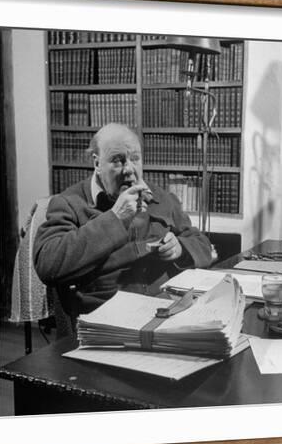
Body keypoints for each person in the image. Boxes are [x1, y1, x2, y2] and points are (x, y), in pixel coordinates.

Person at [34, 123, 213, 315]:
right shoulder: (69, 203)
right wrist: (115, 218)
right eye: (117, 161)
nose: (128, 169)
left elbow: (204, 247)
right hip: (104, 317)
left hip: (163, 309)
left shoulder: (161, 197)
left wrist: (181, 248)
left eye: (135, 159)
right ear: (97, 164)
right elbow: (48, 264)